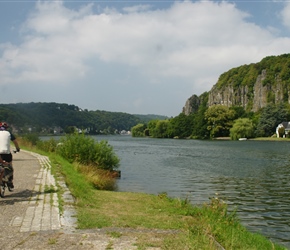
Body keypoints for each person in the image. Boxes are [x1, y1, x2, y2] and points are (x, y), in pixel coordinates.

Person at [0, 122, 20, 191]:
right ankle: (10, 181)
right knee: (10, 166)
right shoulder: (8, 133)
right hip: (6, 153)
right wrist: (17, 149)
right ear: (6, 128)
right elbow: (15, 142)